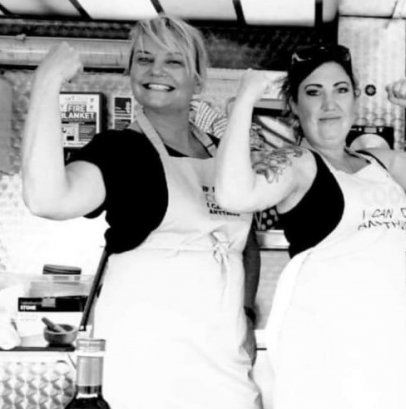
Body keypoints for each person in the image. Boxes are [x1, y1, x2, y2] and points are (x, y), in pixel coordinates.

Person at [21, 16, 262, 409]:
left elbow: (245, 245)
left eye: (174, 61)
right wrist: (46, 83)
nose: (156, 71)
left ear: (198, 79)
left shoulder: (226, 153)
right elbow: (47, 199)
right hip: (144, 361)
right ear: (130, 70)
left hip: (222, 357)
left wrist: (248, 315)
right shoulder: (120, 151)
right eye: (144, 59)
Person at [215, 44, 406, 409]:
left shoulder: (376, 161)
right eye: (314, 92)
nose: (330, 104)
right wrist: (245, 100)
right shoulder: (297, 162)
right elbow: (233, 195)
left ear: (354, 98)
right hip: (326, 355)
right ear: (294, 105)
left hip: (388, 346)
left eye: (340, 90)